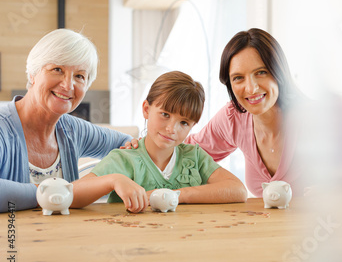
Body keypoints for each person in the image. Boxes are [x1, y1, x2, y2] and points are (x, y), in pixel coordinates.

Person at [184, 28, 342, 197]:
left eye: (261, 72)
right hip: (268, 240)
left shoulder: (325, 116)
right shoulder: (234, 118)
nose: (251, 88)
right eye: (238, 78)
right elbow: (184, 154)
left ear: (279, 73)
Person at [0, 29, 138, 213]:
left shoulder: (73, 129)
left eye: (79, 76)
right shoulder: (3, 127)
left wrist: (104, 180)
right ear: (33, 74)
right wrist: (53, 194)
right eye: (57, 69)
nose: (68, 85)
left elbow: (127, 144)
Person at [71, 71, 248, 213]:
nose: (172, 129)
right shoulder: (124, 159)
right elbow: (71, 195)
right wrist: (113, 181)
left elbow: (238, 190)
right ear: (146, 109)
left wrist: (176, 195)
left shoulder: (194, 156)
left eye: (184, 123)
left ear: (192, 126)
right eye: (165, 115)